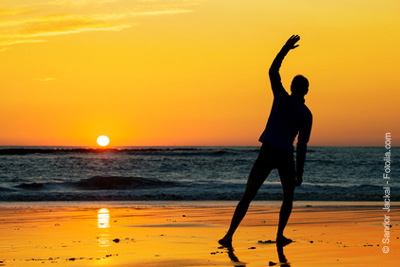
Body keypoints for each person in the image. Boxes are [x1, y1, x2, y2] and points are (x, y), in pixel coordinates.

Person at [219, 35, 312, 247]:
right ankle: (280, 236)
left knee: (248, 195)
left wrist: (285, 49)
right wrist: (300, 172)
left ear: (291, 87)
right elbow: (302, 145)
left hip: (268, 150)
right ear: (306, 90)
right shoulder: (306, 114)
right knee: (288, 197)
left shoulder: (281, 97)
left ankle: (229, 235)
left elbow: (272, 71)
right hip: (285, 154)